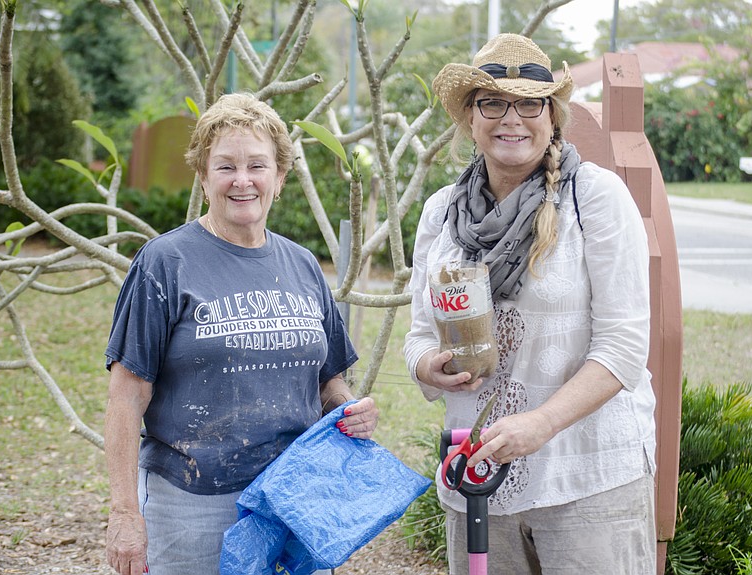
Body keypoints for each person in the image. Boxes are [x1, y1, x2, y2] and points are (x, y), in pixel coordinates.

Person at [404, 34, 657, 574]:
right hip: (478, 473)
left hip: (586, 479)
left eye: (529, 104)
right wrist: (429, 365)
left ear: (552, 116)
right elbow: (420, 334)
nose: (511, 119)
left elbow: (624, 346)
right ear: (470, 118)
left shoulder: (594, 198)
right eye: (492, 103)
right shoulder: (441, 213)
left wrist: (541, 423)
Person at [104, 92, 378, 575]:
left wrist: (350, 409)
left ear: (280, 176)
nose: (242, 180)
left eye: (257, 165)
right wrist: (125, 514)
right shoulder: (164, 262)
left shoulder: (302, 265)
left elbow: (329, 381)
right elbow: (127, 397)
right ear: (203, 175)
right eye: (226, 166)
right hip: (193, 504)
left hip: (296, 496)